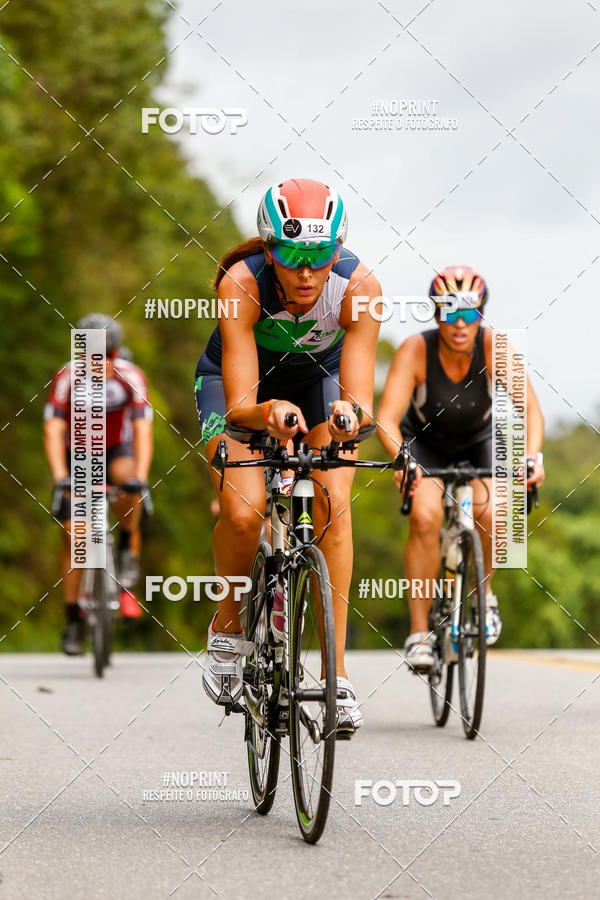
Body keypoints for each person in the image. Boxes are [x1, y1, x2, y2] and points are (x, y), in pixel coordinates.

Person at [195, 178, 381, 735]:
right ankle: (228, 630)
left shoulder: (360, 286)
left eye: (319, 256)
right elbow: (240, 408)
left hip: (321, 385)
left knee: (333, 503)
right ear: (268, 246)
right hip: (243, 395)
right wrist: (268, 412)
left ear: (336, 250)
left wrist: (350, 418)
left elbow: (361, 403)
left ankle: (336, 676)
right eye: (292, 255)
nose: (306, 272)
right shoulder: (241, 283)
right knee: (244, 509)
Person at [377, 266, 545, 671]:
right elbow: (385, 418)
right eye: (448, 313)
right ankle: (419, 632)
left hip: (477, 438)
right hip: (425, 442)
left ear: (480, 316)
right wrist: (404, 460)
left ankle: (483, 598)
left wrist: (532, 457)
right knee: (425, 516)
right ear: (436, 315)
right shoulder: (415, 350)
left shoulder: (494, 347)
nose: (458, 324)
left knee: (493, 510)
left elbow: (532, 412)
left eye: (468, 314)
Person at [43, 314, 153, 655]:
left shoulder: (131, 376)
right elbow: (53, 429)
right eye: (90, 354)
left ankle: (125, 544)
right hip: (77, 456)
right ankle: (73, 619)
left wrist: (141, 477)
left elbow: (143, 431)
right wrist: (60, 475)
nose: (98, 362)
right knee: (74, 535)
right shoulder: (67, 377)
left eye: (105, 355)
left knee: (128, 482)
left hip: (116, 450)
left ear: (116, 353)